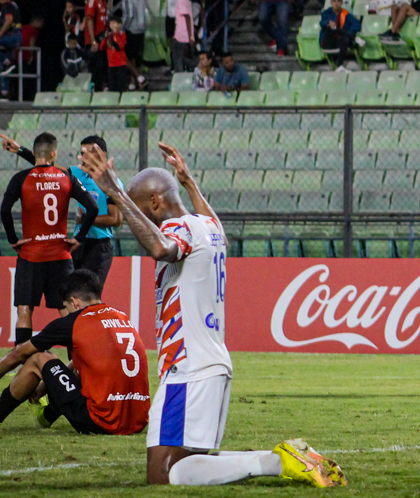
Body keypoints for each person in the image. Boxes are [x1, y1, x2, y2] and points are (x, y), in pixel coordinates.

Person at [76, 143, 346, 486]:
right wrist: (189, 182)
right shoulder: (206, 226)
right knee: (192, 463)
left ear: (156, 203)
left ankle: (279, 462)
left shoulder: (181, 230)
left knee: (163, 474)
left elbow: (160, 248)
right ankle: (288, 458)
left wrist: (116, 192)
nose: (135, 219)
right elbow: (217, 229)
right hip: (212, 364)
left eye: (142, 209)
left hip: (188, 367)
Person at [0, 268, 150, 436]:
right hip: (137, 421)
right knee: (77, 365)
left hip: (102, 423)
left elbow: (19, 353)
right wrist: (47, 385)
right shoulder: (121, 317)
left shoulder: (75, 321)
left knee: (39, 357)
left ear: (74, 302)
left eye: (67, 307)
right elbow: (86, 363)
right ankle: (45, 415)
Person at [0, 131, 98, 347]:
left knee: (25, 310)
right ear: (54, 153)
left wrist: (13, 238)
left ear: (34, 153)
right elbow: (93, 207)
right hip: (60, 255)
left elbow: (5, 209)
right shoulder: (67, 177)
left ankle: (22, 368)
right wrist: (79, 237)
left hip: (30, 255)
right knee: (67, 310)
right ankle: (79, 363)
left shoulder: (20, 179)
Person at [319, 0, 362, 68]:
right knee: (331, 28)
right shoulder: (326, 13)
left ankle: (340, 66)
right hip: (328, 41)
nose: (336, 3)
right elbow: (322, 23)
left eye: (338, 1)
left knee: (345, 39)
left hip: (339, 41)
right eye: (334, 1)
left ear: (341, 3)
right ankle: (353, 38)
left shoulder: (345, 14)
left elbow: (356, 23)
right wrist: (328, 23)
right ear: (331, 3)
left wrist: (350, 32)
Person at [169, 0, 195, 72]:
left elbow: (187, 17)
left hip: (182, 36)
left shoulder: (180, 1)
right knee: (181, 57)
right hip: (182, 35)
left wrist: (190, 36)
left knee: (178, 58)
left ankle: (179, 75)